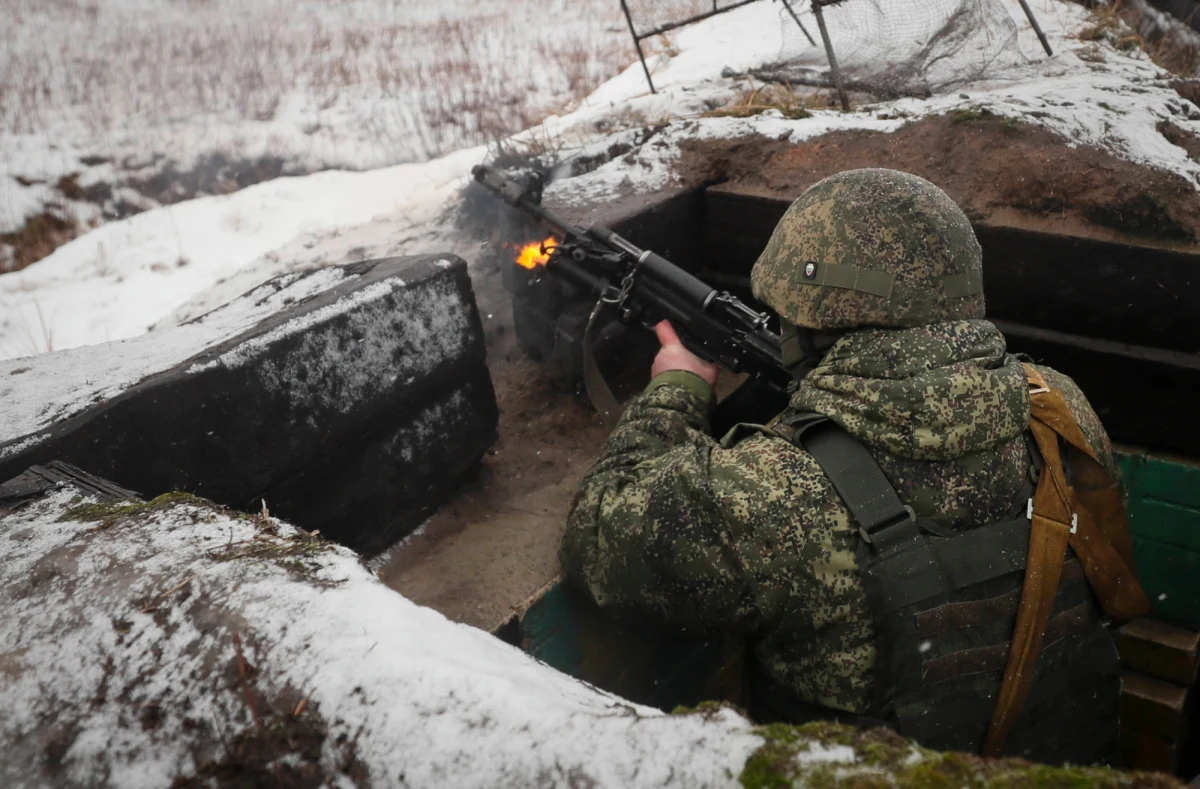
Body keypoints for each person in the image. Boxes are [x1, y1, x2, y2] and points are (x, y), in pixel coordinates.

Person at [560, 169, 1146, 764]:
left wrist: (676, 391)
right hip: (1067, 768)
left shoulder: (773, 488)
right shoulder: (1057, 405)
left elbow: (597, 539)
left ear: (811, 312)